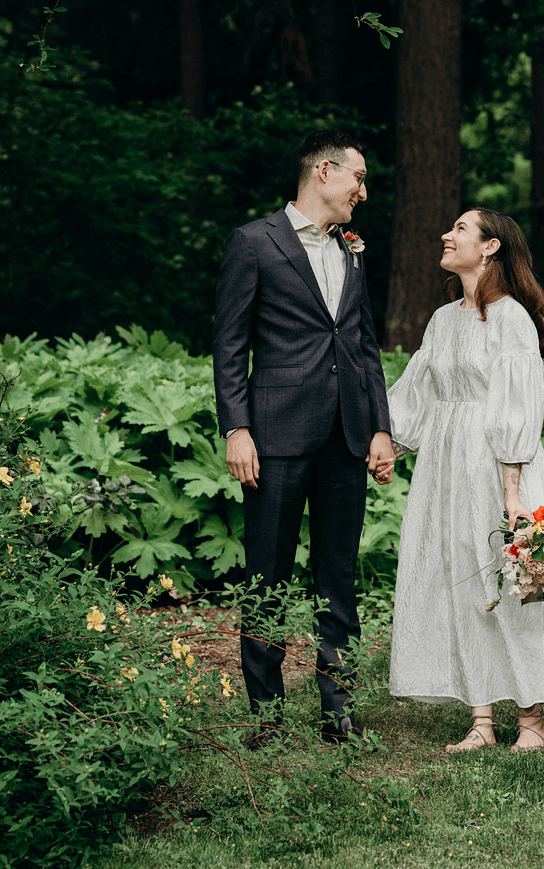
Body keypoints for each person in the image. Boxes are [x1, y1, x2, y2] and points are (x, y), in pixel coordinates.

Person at [213, 130, 393, 750]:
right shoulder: (253, 242)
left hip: (345, 437)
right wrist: (237, 428)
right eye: (358, 180)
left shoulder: (353, 249)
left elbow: (364, 344)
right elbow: (230, 346)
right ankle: (265, 716)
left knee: (338, 573)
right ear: (324, 171)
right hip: (276, 436)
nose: (363, 193)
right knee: (267, 574)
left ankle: (337, 710)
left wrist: (378, 427)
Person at [375, 206, 544, 752]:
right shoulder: (444, 319)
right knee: (458, 579)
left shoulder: (511, 317)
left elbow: (518, 406)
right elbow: (419, 391)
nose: (447, 234)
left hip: (496, 463)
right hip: (446, 466)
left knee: (507, 581)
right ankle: (482, 719)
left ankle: (533, 716)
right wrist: (388, 443)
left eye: (460, 228)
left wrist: (512, 490)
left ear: (490, 247)